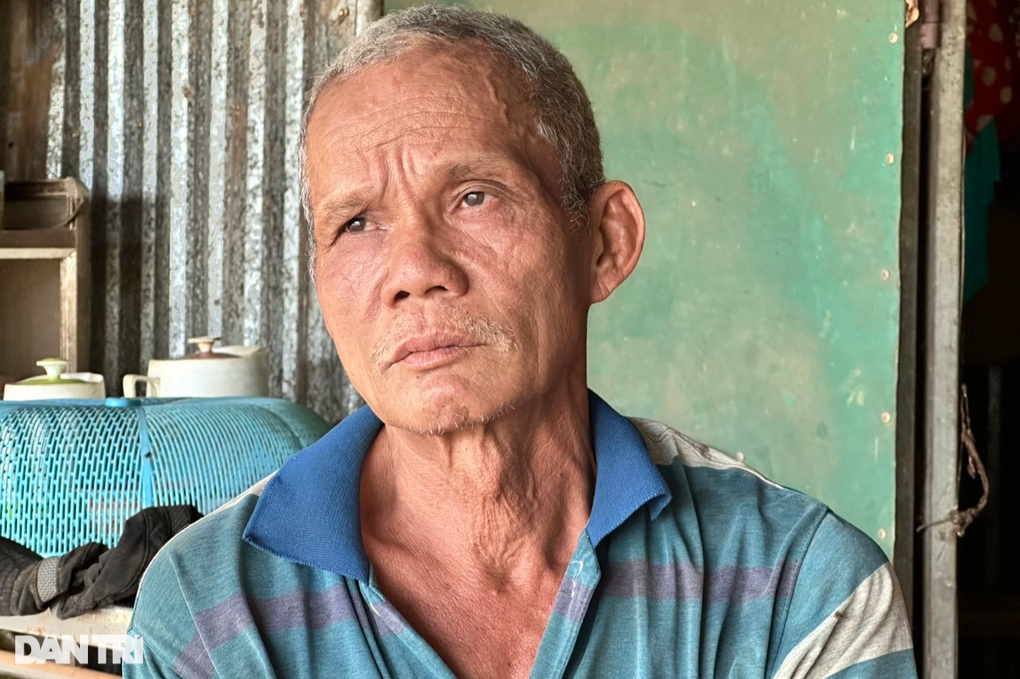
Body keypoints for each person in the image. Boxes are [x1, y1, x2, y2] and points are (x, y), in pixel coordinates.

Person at [125, 5, 916, 678]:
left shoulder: (796, 590)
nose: (415, 271)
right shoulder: (212, 610)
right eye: (357, 222)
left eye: (474, 197)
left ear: (604, 242)